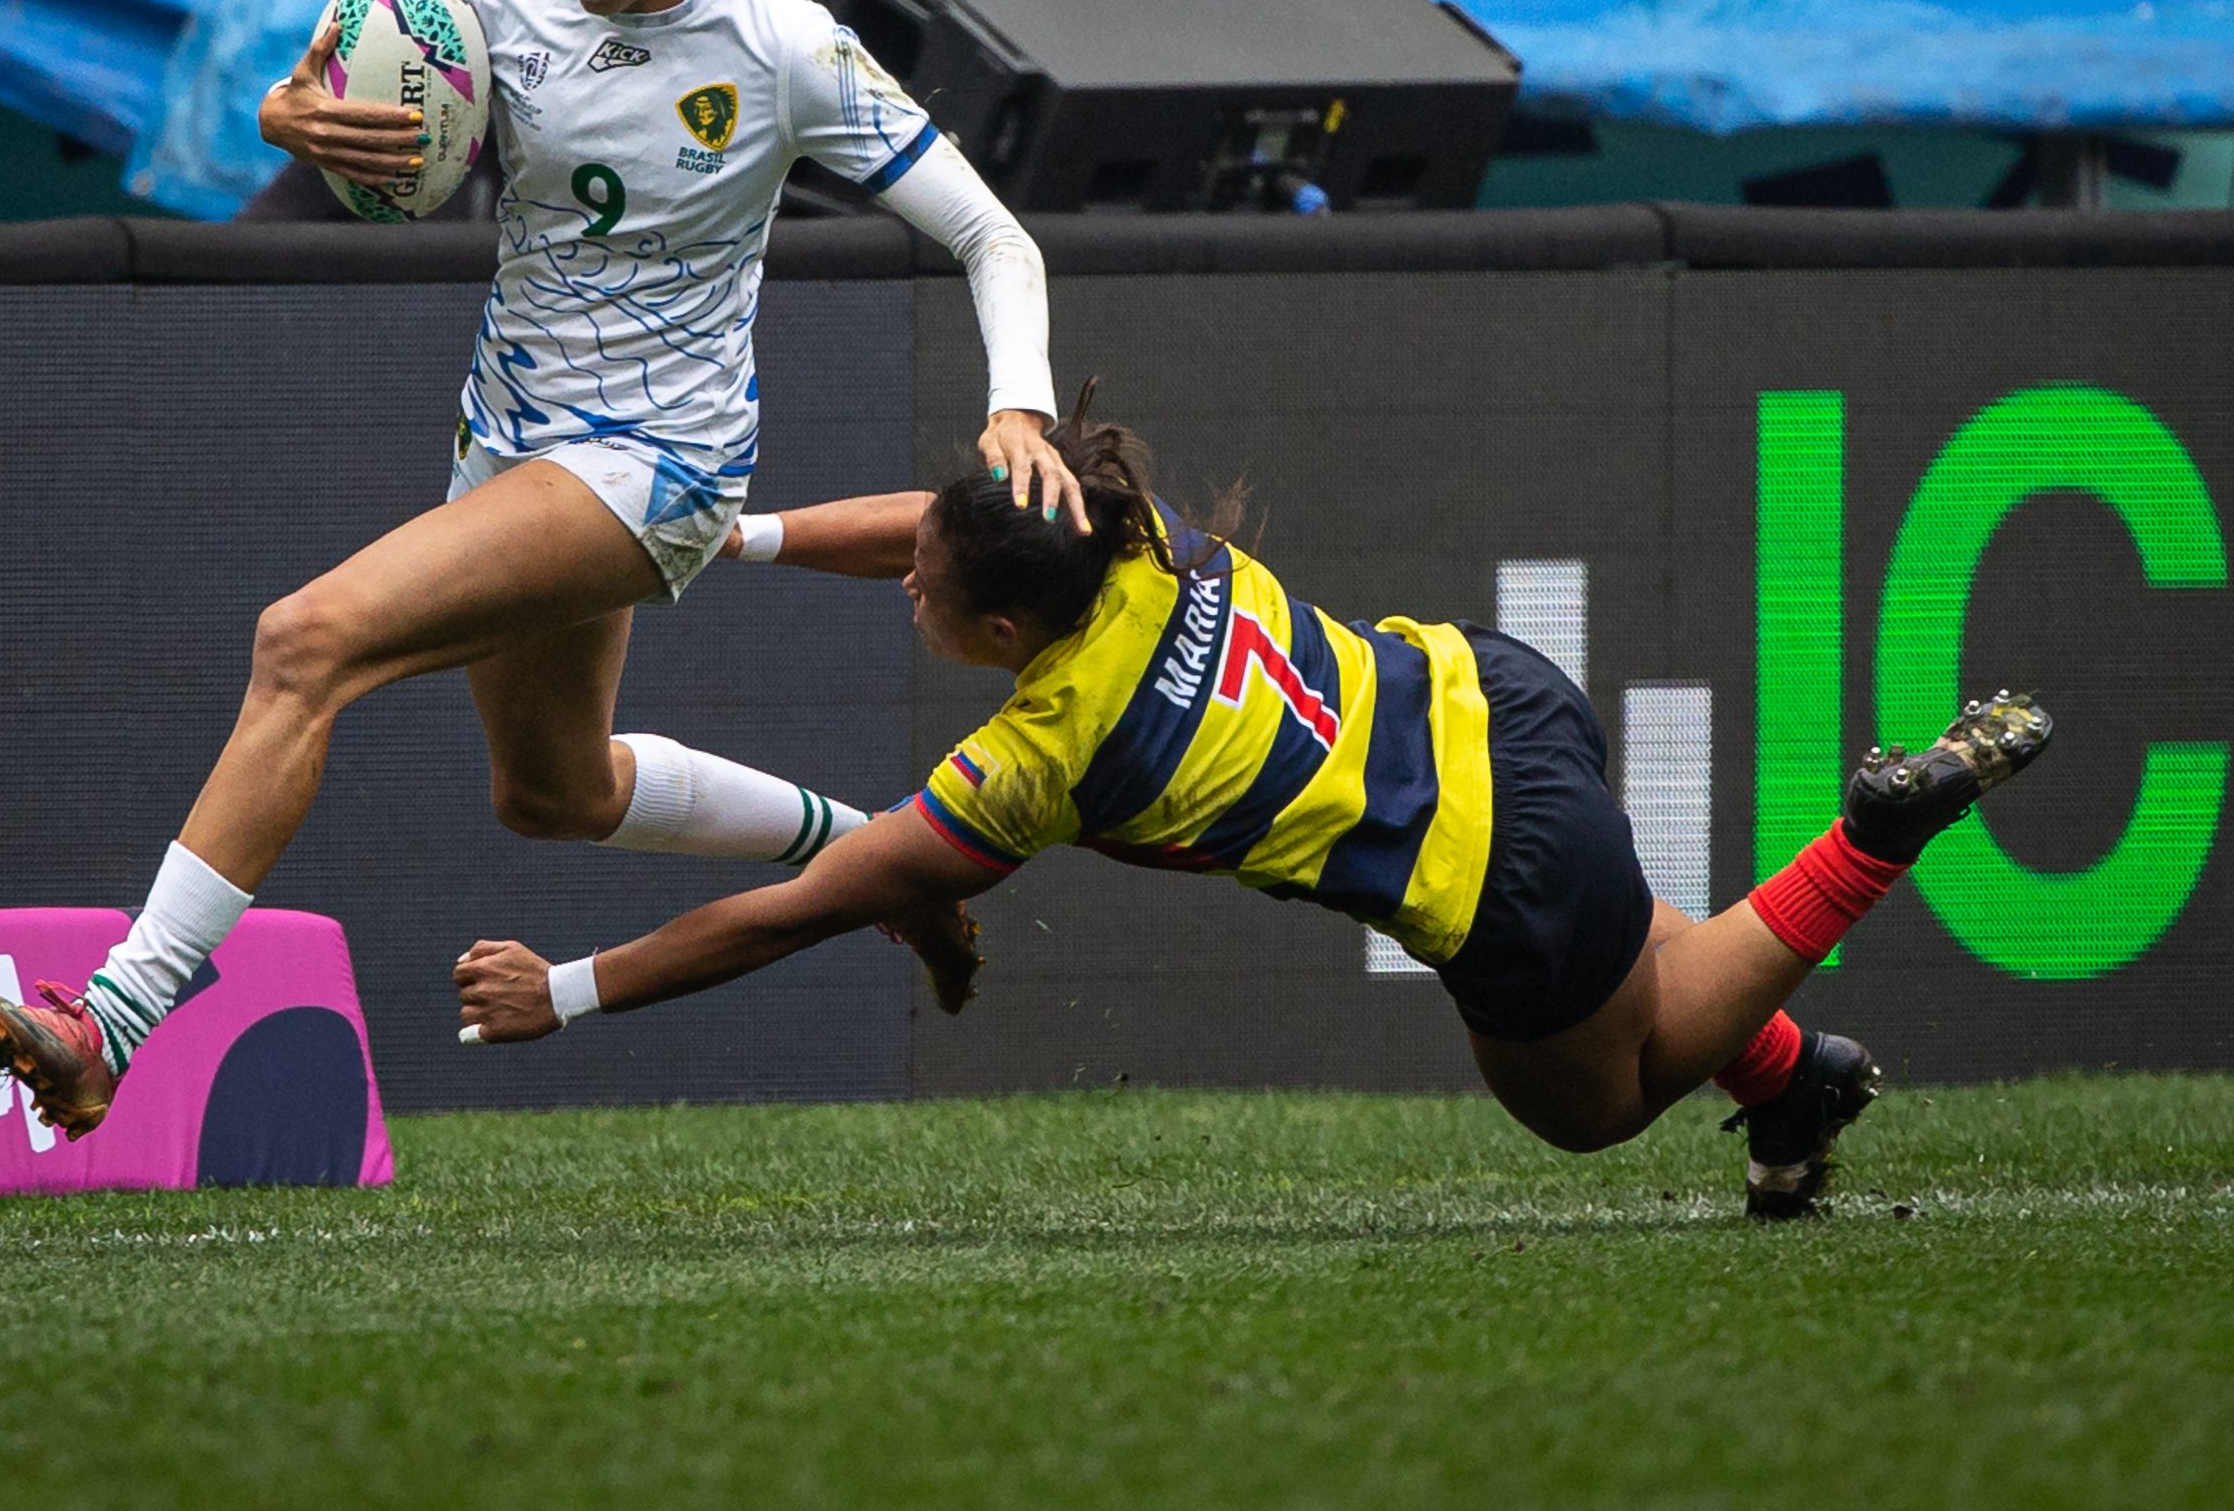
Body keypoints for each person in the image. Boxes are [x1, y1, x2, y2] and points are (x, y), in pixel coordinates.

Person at [0, 0, 1081, 1136]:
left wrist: (1020, 409)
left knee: (305, 642)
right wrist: (297, 119)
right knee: (551, 792)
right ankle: (881, 860)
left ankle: (109, 1021)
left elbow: (998, 240)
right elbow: (304, 100)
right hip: (511, 436)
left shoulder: (786, 45)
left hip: (656, 466)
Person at [447, 396, 2055, 1219]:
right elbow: (949, 525)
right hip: (1494, 697)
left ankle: (1872, 841)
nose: (906, 584)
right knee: (1635, 975)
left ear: (1005, 638)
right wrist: (720, 539)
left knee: (1596, 1101)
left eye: (922, 588)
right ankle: (1795, 1091)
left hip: (1488, 862)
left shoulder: (1038, 762)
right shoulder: (1131, 532)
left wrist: (570, 992)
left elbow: (802, 906)